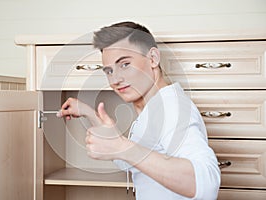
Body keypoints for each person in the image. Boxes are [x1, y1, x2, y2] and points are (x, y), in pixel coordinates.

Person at [57, 21, 221, 200]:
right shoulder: (152, 109)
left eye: (125, 64)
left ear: (153, 58)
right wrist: (90, 114)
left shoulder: (173, 108)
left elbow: (206, 184)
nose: (115, 79)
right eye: (109, 71)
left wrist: (122, 147)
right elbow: (130, 161)